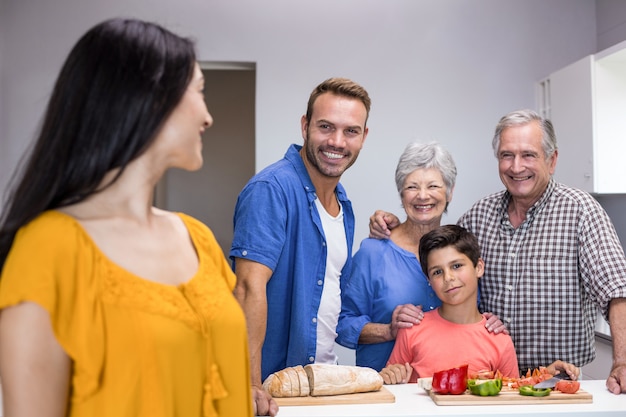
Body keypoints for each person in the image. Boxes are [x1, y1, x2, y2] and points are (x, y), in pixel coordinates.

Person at [0, 18, 253, 417]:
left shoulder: (198, 238)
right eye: (199, 91)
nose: (207, 116)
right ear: (149, 99)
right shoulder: (48, 249)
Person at [370, 109, 626, 394]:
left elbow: (617, 290)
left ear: (551, 160)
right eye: (507, 155)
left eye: (528, 155)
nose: (516, 167)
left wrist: (623, 361)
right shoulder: (479, 215)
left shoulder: (581, 212)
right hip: (492, 380)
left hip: (558, 379)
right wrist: (393, 227)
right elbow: (444, 251)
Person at [230, 77, 370, 415]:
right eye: (326, 127)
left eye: (351, 131)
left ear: (364, 137)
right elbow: (248, 288)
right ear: (305, 126)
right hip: (270, 392)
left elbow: (329, 294)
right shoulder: (271, 189)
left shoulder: (343, 206)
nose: (337, 142)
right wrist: (249, 385)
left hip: (318, 384)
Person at [380, 225, 579, 385]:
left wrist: (545, 377)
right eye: (437, 272)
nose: (449, 278)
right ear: (429, 281)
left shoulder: (498, 340)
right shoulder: (412, 330)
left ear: (479, 267)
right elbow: (393, 384)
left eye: (457, 266)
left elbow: (511, 395)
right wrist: (391, 378)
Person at [335, 142, 455, 371]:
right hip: (385, 392)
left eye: (433, 186)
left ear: (450, 191)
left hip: (446, 390)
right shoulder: (373, 252)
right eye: (412, 187)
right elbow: (340, 324)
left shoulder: (457, 252)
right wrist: (388, 330)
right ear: (401, 193)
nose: (422, 196)